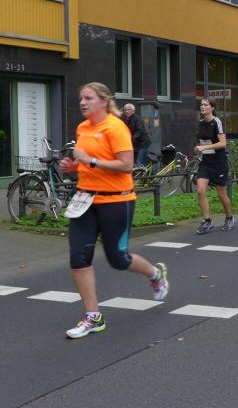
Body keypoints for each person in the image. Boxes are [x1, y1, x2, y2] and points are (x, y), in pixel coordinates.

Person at [59, 83, 168, 339]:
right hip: (85, 200)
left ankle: (155, 273)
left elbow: (126, 165)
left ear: (103, 101)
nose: (82, 102)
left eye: (88, 98)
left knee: (119, 259)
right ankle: (93, 316)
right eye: (81, 98)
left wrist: (89, 160)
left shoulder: (115, 127)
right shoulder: (83, 127)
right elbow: (86, 164)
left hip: (116, 201)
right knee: (78, 257)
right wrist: (73, 167)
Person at [194, 98, 234, 234]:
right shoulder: (200, 123)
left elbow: (223, 143)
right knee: (200, 190)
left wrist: (204, 148)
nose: (202, 106)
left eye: (206, 105)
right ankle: (207, 221)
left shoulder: (217, 122)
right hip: (206, 162)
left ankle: (229, 217)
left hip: (219, 163)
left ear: (212, 108)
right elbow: (202, 141)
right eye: (201, 104)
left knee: (221, 194)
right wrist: (198, 148)